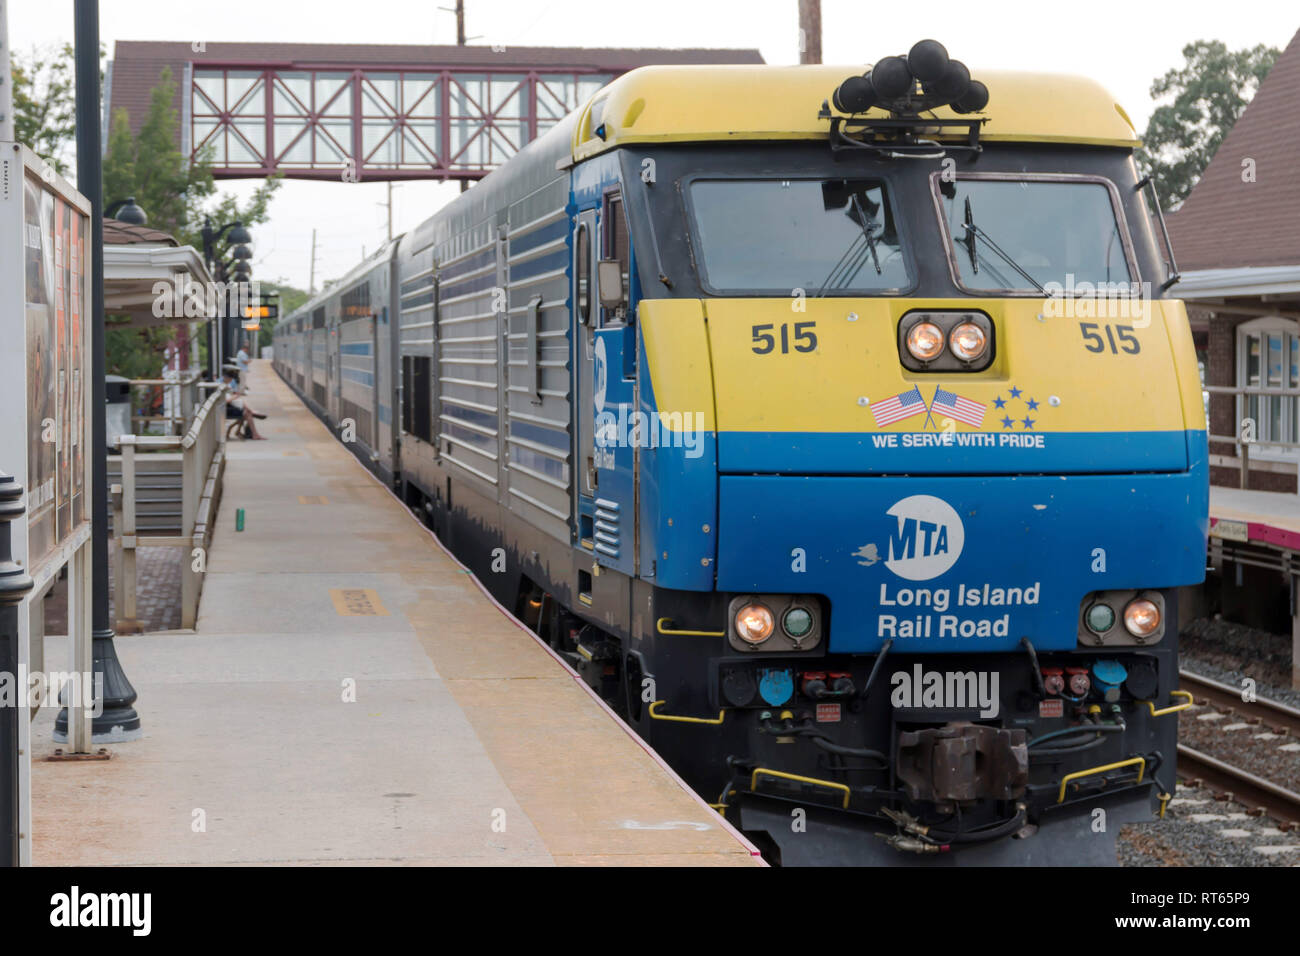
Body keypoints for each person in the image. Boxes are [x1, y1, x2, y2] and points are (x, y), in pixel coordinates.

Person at [221, 371, 267, 439]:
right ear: (226, 378)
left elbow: (231, 395)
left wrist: (235, 395)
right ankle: (254, 434)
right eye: (230, 380)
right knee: (247, 414)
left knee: (246, 412)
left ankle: (249, 432)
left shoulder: (226, 384)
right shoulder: (220, 385)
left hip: (229, 407)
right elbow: (225, 401)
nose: (231, 381)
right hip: (226, 409)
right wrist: (235, 396)